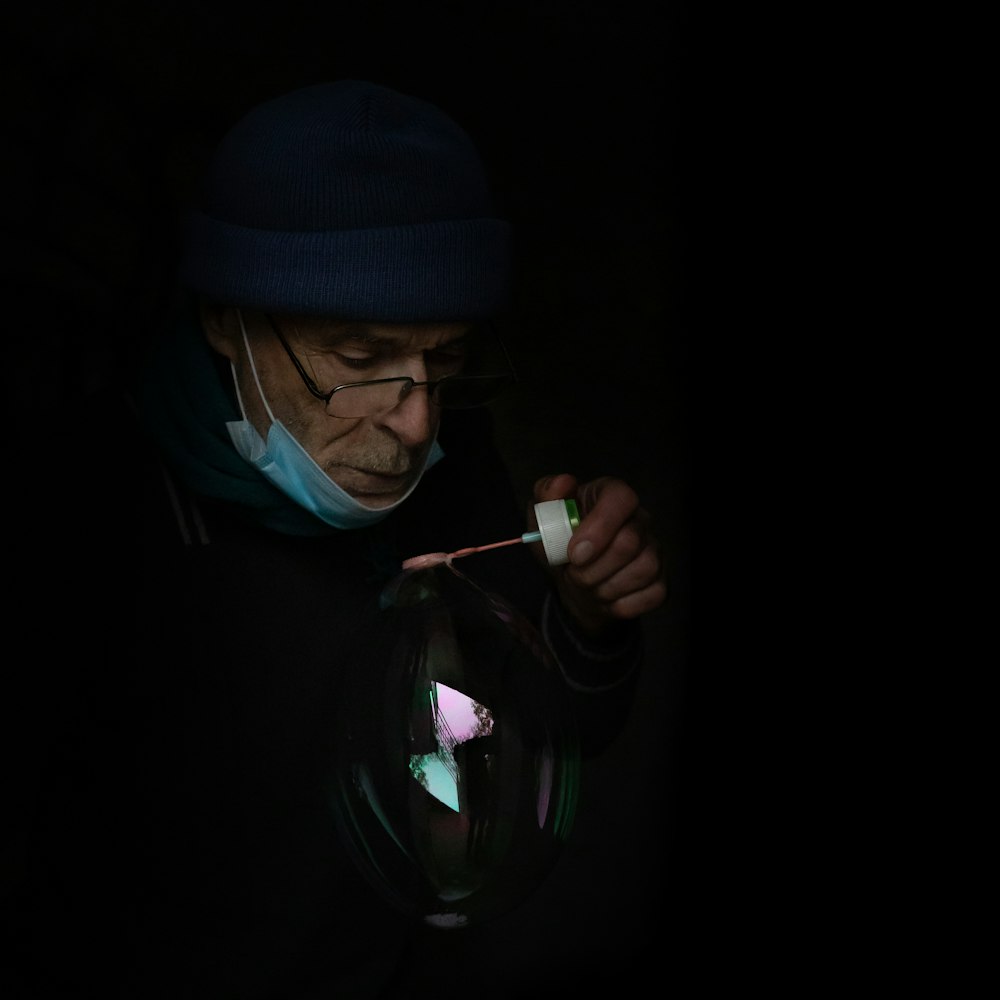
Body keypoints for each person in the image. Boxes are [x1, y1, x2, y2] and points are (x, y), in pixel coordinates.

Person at [8, 79, 667, 998]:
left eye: (445, 360)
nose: (414, 424)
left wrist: (587, 618)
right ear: (223, 321)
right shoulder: (79, 509)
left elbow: (514, 739)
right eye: (359, 362)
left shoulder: (454, 468)